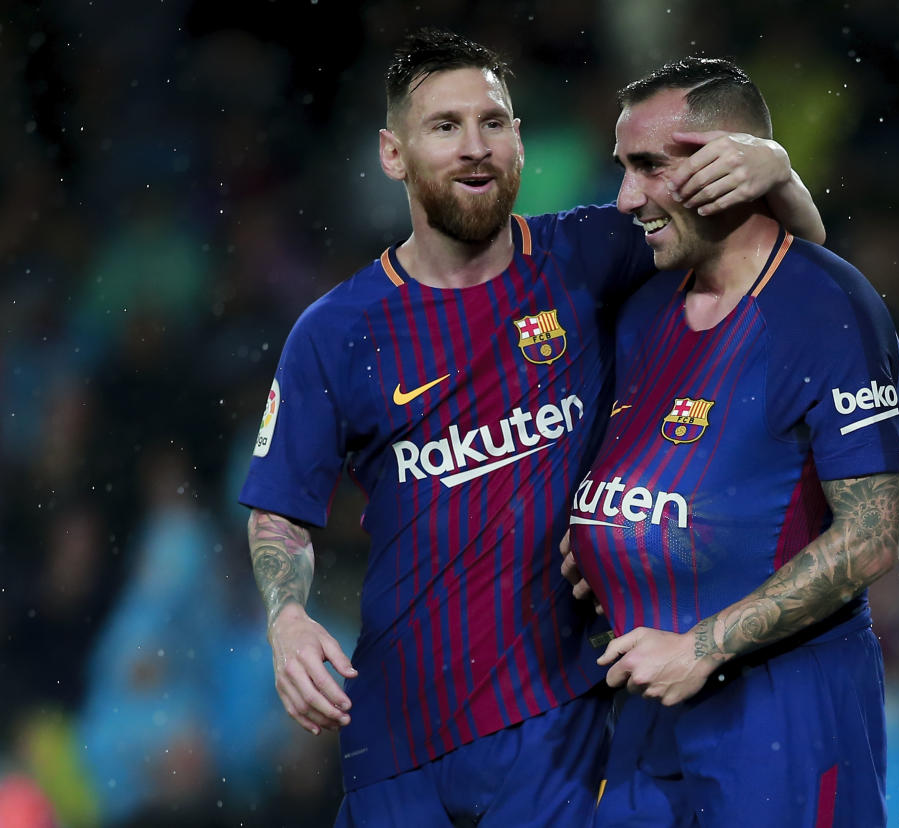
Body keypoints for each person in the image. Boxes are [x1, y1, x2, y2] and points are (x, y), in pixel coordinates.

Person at [238, 28, 826, 827]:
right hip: (395, 732)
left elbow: (785, 271)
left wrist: (778, 173)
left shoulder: (589, 252)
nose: (476, 148)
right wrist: (288, 617)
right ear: (393, 154)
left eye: (495, 122)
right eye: (445, 127)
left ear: (519, 137)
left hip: (556, 720)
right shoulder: (337, 331)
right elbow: (281, 509)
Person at [562, 57, 899, 826]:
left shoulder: (829, 306)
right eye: (624, 167)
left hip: (784, 711)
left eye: (650, 166)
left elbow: (874, 537)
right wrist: (600, 537)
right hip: (646, 709)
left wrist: (705, 645)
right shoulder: (646, 303)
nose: (625, 197)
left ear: (727, 162)